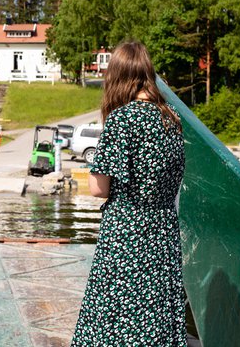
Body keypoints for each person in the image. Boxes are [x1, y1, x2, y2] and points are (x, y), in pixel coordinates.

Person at [71, 41, 187, 346]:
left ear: (118, 77)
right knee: (157, 313)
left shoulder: (123, 120)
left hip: (127, 232)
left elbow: (98, 188)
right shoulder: (173, 118)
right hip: (163, 231)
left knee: (116, 316)